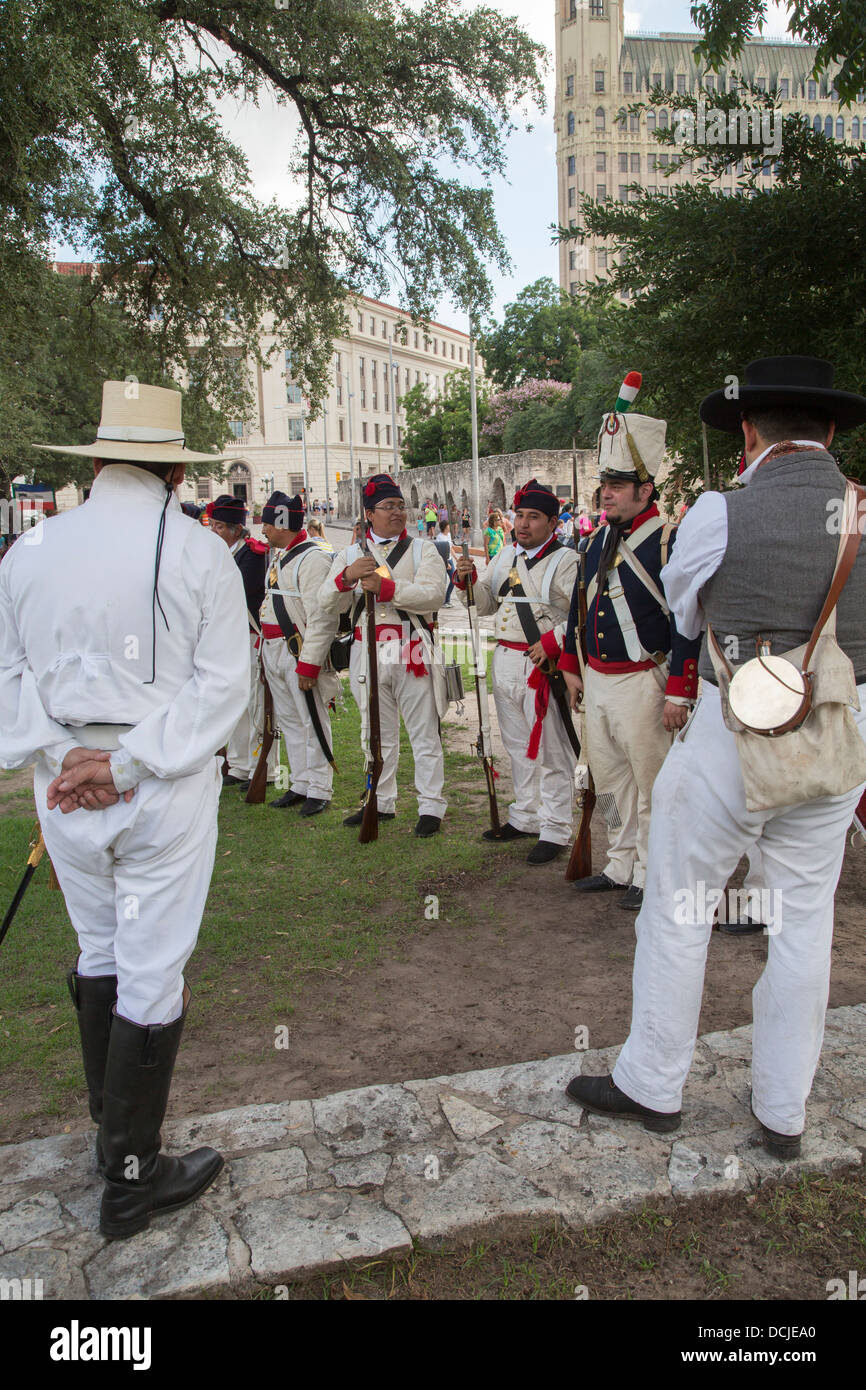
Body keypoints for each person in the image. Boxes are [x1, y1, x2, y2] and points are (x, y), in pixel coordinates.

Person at [567, 356, 866, 1159]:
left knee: (681, 907)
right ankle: (783, 1111)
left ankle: (655, 1082)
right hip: (838, 736)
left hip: (736, 732)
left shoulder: (718, 511)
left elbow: (687, 608)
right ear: (831, 432)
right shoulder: (865, 511)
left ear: (747, 432)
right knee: (803, 924)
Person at [0, 381, 250, 1238]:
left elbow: (4, 679)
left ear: (100, 461)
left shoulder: (29, 552)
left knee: (102, 948)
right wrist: (128, 763)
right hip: (159, 781)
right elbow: (225, 689)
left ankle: (121, 1153)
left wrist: (60, 756)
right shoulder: (200, 553)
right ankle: (132, 1178)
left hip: (65, 776)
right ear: (173, 472)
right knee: (149, 967)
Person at [559, 396, 701, 911]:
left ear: (645, 490)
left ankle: (651, 870)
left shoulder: (670, 541)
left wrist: (680, 689)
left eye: (616, 487)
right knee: (613, 781)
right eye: (604, 486)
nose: (606, 496)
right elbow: (581, 607)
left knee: (652, 784)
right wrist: (572, 669)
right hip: (597, 678)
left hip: (646, 679)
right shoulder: (595, 542)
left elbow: (688, 619)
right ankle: (620, 865)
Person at [454, 479, 578, 864]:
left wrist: (554, 642)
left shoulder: (566, 561)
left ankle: (556, 827)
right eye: (519, 516)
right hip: (505, 659)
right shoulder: (506, 556)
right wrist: (467, 579)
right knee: (517, 747)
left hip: (543, 665)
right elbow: (485, 603)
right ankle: (525, 816)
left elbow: (582, 615)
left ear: (553, 522)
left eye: (533, 517)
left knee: (552, 750)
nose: (523, 524)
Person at [319, 473, 448, 836]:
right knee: (374, 731)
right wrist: (345, 577)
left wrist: (387, 588)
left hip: (410, 646)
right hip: (367, 647)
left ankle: (431, 805)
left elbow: (433, 595)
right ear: (369, 514)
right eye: (387, 507)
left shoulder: (424, 550)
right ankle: (380, 799)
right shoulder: (349, 554)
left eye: (399, 506)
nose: (396, 513)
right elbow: (325, 602)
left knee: (424, 731)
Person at [259, 492, 340, 816]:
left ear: (281, 522)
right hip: (274, 649)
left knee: (312, 720)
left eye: (267, 522)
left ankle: (320, 788)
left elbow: (321, 616)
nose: (262, 529)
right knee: (291, 721)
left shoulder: (313, 558)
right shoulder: (284, 554)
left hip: (297, 651)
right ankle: (300, 783)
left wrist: (309, 663)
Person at [207, 495, 275, 791]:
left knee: (256, 703)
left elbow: (244, 595)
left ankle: (262, 765)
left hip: (249, 636)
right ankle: (238, 763)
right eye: (213, 526)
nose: (215, 532)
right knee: (233, 703)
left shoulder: (252, 554)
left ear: (236, 529)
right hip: (226, 639)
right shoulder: (217, 556)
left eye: (220, 527)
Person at [433, 519, 456, 606]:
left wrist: (456, 558)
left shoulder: (449, 535)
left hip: (450, 559)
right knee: (443, 582)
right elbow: (440, 552)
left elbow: (450, 548)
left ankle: (447, 600)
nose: (449, 526)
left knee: (454, 580)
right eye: (448, 525)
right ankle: (442, 601)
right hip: (443, 561)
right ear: (445, 527)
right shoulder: (439, 537)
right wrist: (446, 563)